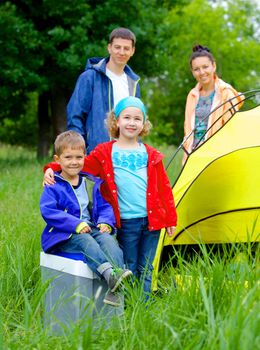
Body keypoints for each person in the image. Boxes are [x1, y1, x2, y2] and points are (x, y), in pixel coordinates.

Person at [44, 97, 177, 299]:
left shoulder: (150, 154)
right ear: (116, 122)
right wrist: (50, 169)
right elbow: (78, 164)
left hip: (153, 221)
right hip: (126, 220)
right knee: (129, 265)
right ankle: (129, 304)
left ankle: (145, 304)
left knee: (147, 266)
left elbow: (164, 188)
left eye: (137, 119)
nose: (132, 122)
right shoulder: (105, 152)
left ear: (143, 124)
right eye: (127, 117)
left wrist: (170, 218)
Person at [40, 130, 132, 307]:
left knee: (108, 241)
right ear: (57, 159)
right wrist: (76, 224)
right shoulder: (53, 185)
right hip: (64, 234)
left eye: (78, 157)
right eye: (68, 157)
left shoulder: (91, 182)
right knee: (86, 242)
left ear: (84, 157)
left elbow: (105, 206)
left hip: (91, 228)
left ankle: (117, 280)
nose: (74, 162)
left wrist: (105, 222)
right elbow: (49, 212)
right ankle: (109, 275)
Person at [67, 27, 140, 154]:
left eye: (126, 48)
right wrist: (79, 150)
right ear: (109, 48)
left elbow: (137, 120)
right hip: (95, 153)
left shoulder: (133, 83)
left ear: (132, 51)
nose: (121, 52)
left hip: (125, 155)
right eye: (117, 47)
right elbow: (75, 117)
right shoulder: (89, 77)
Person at [184, 44, 244, 154]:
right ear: (192, 72)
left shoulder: (226, 93)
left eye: (205, 67)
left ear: (214, 66)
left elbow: (230, 130)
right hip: (193, 155)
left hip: (216, 155)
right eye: (196, 69)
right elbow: (187, 130)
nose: (202, 72)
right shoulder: (192, 95)